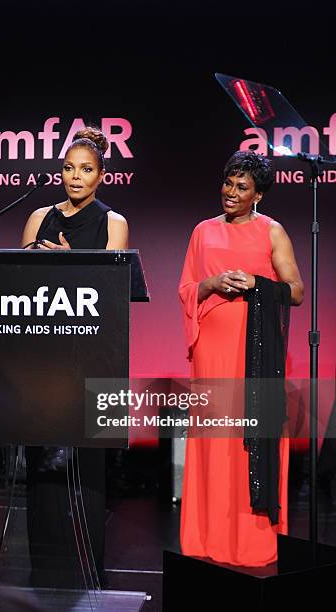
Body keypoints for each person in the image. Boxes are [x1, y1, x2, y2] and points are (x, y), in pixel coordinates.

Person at [178, 150, 304, 567]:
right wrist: (213, 282)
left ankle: (253, 542)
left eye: (242, 187)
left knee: (249, 440)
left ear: (259, 195)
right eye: (228, 183)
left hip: (257, 352)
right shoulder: (202, 231)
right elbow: (186, 289)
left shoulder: (272, 232)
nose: (231, 193)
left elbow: (296, 291)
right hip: (212, 353)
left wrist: (256, 283)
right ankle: (207, 536)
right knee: (216, 441)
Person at [21, 126, 128, 586]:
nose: (75, 177)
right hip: (42, 358)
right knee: (43, 466)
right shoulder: (38, 216)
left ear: (102, 175)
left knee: (84, 471)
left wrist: (71, 262)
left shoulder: (114, 222)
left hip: (90, 360)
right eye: (68, 168)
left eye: (86, 170)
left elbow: (112, 291)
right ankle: (44, 570)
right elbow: (15, 286)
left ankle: (86, 577)